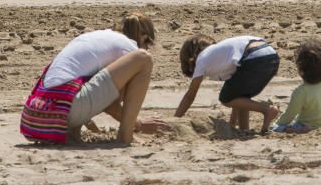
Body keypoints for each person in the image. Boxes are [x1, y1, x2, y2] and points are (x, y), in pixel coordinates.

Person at [19, 13, 170, 145]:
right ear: (144, 38)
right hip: (63, 112)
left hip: (35, 118)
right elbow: (111, 106)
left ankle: (72, 132)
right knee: (144, 59)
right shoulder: (128, 46)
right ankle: (125, 136)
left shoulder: (97, 37)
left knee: (79, 80)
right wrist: (138, 124)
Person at [175, 34, 280, 134]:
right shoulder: (222, 53)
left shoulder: (202, 59)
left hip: (254, 57)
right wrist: (232, 125)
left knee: (225, 98)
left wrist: (175, 119)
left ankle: (267, 110)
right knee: (239, 96)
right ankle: (244, 129)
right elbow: (237, 98)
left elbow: (190, 95)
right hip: (270, 54)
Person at [272, 39, 321, 134]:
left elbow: (288, 116)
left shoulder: (301, 92)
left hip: (304, 126)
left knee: (278, 127)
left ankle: (299, 130)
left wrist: (275, 125)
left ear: (301, 69)